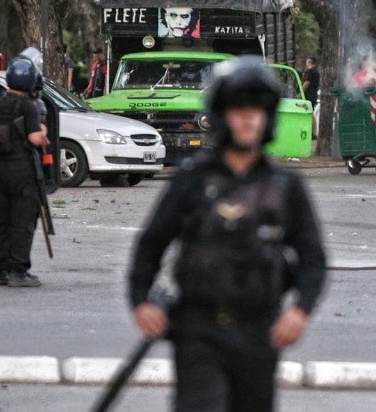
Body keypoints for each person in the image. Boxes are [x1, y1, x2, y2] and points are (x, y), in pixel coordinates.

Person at [129, 56, 327, 411]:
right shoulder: (192, 180)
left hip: (258, 332)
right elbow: (151, 244)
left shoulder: (285, 186)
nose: (248, 117)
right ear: (222, 114)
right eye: (238, 108)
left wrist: (300, 310)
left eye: (257, 109)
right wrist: (140, 299)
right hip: (197, 329)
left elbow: (313, 257)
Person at [0, 48, 50, 288]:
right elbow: (34, 139)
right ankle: (18, 271)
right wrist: (44, 135)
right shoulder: (28, 106)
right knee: (21, 220)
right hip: (21, 170)